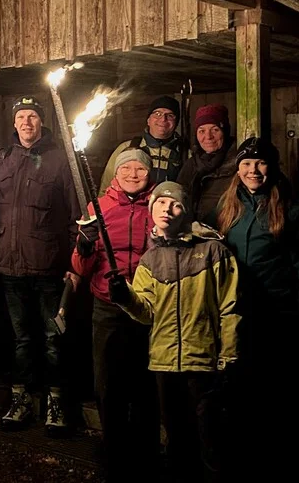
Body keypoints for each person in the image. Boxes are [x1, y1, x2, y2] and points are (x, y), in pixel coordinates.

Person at [110, 181, 239, 483]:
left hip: (204, 362)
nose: (166, 209)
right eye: (159, 204)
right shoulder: (150, 260)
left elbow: (230, 308)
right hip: (164, 363)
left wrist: (229, 357)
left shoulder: (213, 252)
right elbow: (147, 312)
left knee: (211, 441)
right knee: (176, 441)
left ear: (186, 211)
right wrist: (125, 296)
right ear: (151, 210)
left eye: (175, 204)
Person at [215, 137, 299, 482]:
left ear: (271, 167)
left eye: (260, 163)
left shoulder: (292, 211)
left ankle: (277, 462)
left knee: (274, 393)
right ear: (238, 168)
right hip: (235, 315)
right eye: (246, 163)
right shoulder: (227, 207)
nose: (253, 170)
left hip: (277, 314)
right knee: (238, 390)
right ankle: (242, 459)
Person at [0, 95, 79, 435]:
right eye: (22, 117)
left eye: (32, 117)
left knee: (52, 338)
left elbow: (76, 215)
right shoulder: (1, 159)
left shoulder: (60, 159)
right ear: (14, 123)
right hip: (10, 265)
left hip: (49, 264)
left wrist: (75, 262)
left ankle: (56, 401)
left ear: (41, 122)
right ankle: (21, 398)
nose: (27, 123)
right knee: (21, 338)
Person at [69, 149, 159, 482]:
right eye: (127, 168)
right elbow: (79, 266)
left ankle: (146, 455)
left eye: (140, 169)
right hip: (108, 305)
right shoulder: (99, 208)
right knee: (109, 383)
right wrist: (84, 245)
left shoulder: (158, 205)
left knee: (146, 384)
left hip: (149, 307)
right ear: (115, 173)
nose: (134, 174)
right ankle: (114, 453)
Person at [98, 95, 186, 196]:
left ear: (176, 122)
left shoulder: (185, 154)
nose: (163, 119)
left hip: (166, 210)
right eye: (157, 114)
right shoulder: (126, 148)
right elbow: (105, 188)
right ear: (148, 120)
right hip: (128, 210)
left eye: (170, 115)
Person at [177, 104, 237, 225]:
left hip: (225, 230)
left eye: (215, 130)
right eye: (202, 131)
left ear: (224, 131)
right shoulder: (191, 164)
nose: (208, 137)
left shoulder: (237, 163)